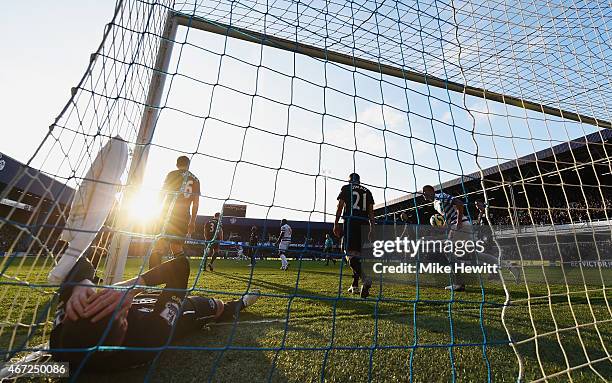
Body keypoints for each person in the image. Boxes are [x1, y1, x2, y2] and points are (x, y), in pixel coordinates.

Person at [50, 254, 259, 371]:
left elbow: (73, 254)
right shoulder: (150, 338)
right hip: (170, 319)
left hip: (140, 314)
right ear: (124, 330)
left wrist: (79, 283)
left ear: (72, 315)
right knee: (214, 307)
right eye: (122, 314)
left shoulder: (61, 342)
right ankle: (239, 304)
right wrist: (134, 284)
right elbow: (181, 265)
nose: (125, 308)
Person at [149, 156, 200, 269]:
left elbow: (163, 193)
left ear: (177, 164)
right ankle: (177, 278)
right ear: (188, 165)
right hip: (184, 216)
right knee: (177, 248)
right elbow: (195, 203)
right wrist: (192, 222)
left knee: (159, 245)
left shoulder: (173, 174)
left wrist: (154, 210)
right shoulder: (196, 179)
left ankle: (152, 280)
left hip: (169, 213)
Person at [333, 173, 374, 298]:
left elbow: (340, 207)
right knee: (356, 256)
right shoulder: (367, 191)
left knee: (349, 254)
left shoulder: (346, 188)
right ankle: (355, 285)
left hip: (350, 222)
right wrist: (372, 227)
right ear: (359, 181)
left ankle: (365, 278)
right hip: (363, 224)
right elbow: (371, 212)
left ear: (349, 180)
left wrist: (336, 223)